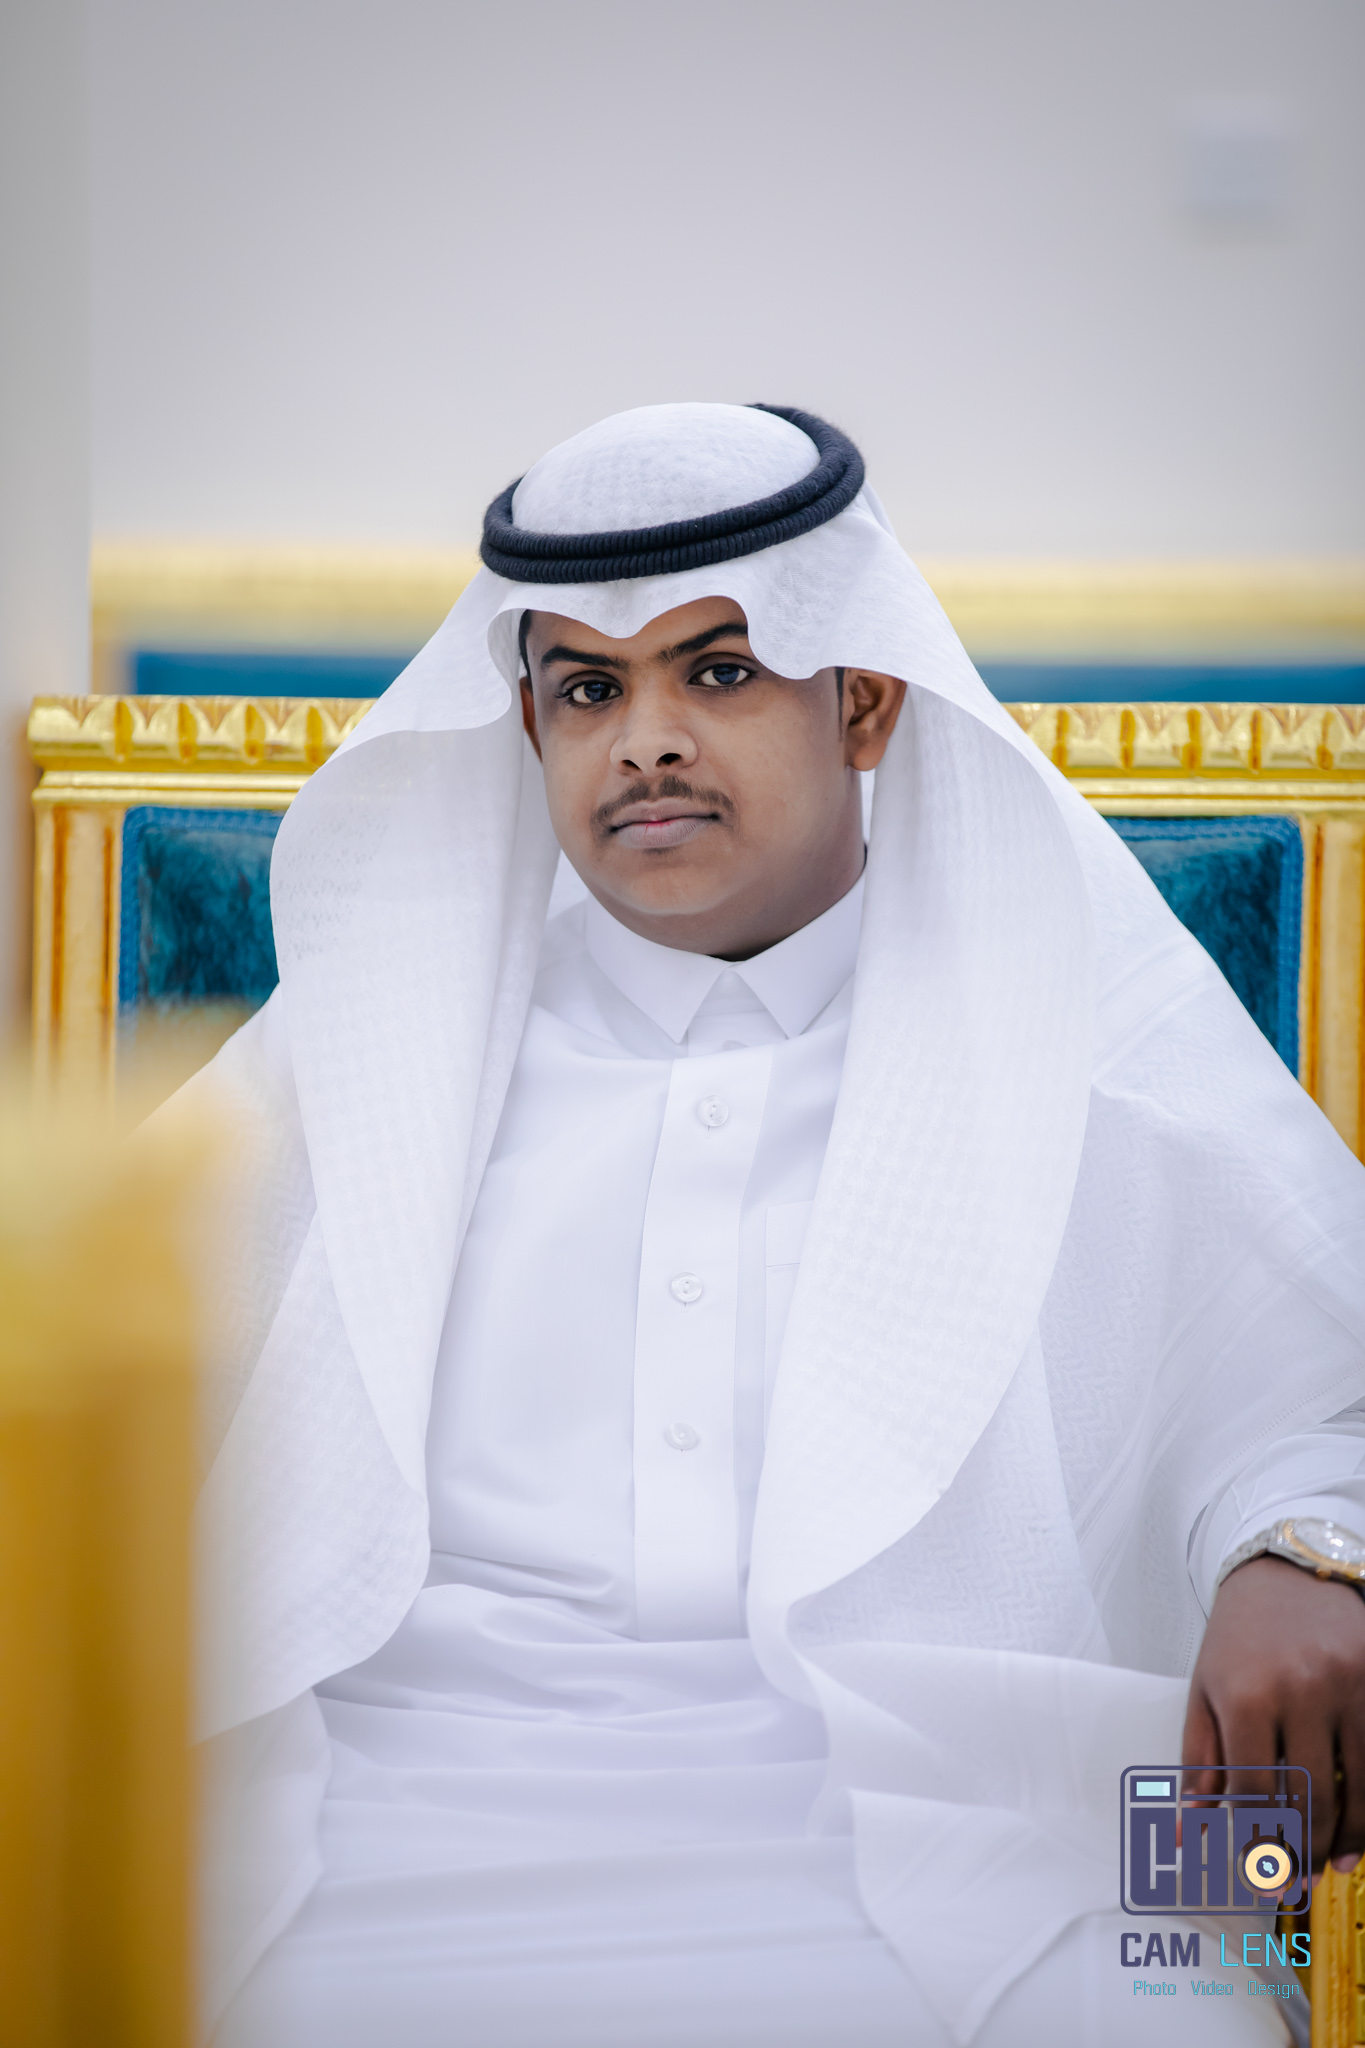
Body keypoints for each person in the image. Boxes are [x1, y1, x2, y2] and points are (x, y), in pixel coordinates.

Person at [195, 403, 1365, 2047]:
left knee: (1173, 2010)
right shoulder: (385, 1045)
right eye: (586, 690)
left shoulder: (1074, 1026)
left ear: (863, 700)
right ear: (526, 726)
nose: (645, 742)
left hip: (992, 1809)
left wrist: (1303, 1556)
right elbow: (110, 1367)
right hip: (396, 1803)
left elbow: (1310, 1387)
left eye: (720, 671)